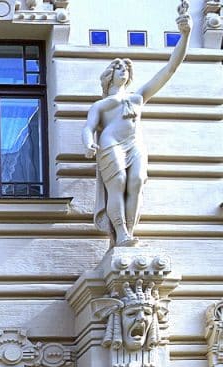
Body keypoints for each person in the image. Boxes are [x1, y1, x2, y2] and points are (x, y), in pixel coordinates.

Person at [82, 6, 191, 247]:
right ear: (110, 75)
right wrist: (88, 142)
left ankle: (129, 232)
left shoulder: (138, 97)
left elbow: (169, 69)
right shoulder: (102, 104)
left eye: (126, 69)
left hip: (134, 144)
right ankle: (120, 233)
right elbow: (89, 127)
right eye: (119, 68)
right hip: (110, 143)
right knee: (118, 182)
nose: (124, 71)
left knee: (137, 182)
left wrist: (185, 35)